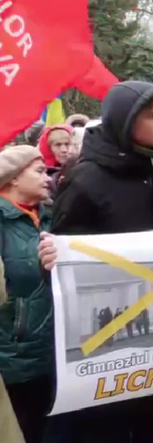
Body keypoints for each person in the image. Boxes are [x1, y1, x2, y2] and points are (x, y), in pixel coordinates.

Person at [39, 80, 153, 442]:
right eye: (152, 116)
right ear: (124, 119)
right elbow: (62, 264)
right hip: (110, 349)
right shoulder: (86, 179)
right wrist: (50, 261)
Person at [0, 146, 54, 443]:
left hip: (53, 354)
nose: (48, 178)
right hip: (16, 359)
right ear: (14, 178)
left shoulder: (50, 215)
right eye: (40, 171)